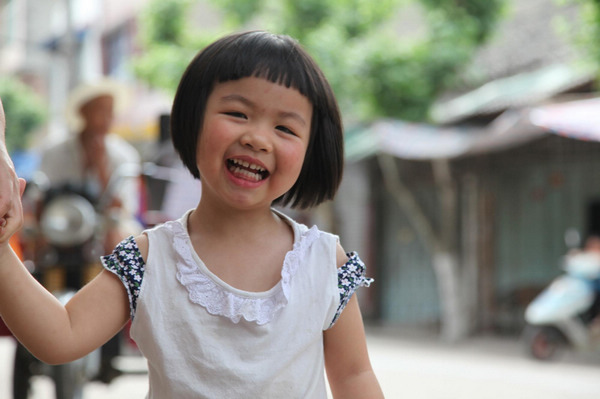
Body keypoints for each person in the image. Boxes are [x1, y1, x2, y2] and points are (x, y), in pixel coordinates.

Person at [0, 31, 384, 398]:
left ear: (312, 149)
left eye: (285, 127)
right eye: (237, 113)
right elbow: (61, 336)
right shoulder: (149, 259)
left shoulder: (324, 262)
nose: (257, 138)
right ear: (192, 119)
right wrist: (2, 249)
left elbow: (354, 376)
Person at [39, 79, 142, 253]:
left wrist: (100, 165)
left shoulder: (124, 155)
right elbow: (44, 196)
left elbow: (120, 207)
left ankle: (117, 277)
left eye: (110, 112)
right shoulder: (55, 151)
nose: (107, 118)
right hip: (64, 220)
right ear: (83, 112)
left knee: (119, 235)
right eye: (100, 110)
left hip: (106, 224)